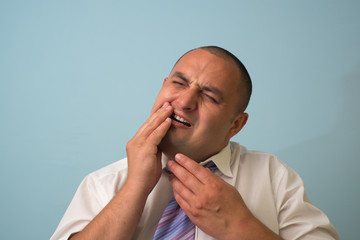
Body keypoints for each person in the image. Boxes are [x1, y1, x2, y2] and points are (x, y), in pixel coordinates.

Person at [51, 46, 340, 240]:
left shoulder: (274, 177)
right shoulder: (104, 183)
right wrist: (135, 188)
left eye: (210, 97)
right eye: (177, 84)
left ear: (236, 125)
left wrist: (239, 227)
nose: (185, 101)